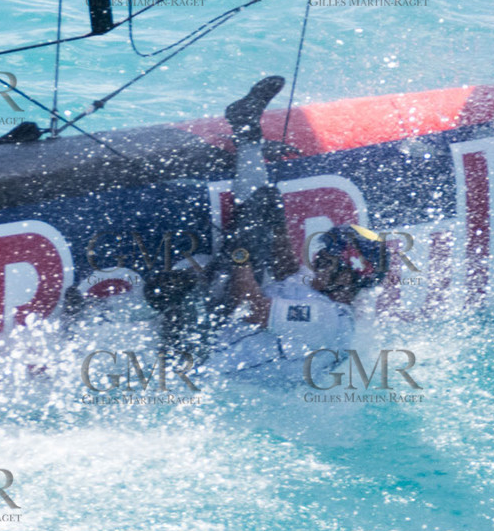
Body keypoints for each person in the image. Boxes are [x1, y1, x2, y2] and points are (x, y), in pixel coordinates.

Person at [145, 76, 388, 368]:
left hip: (199, 364)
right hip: (213, 336)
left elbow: (249, 306)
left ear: (348, 277)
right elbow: (286, 270)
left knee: (182, 287)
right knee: (260, 213)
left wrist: (240, 254)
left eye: (325, 261)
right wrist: (275, 218)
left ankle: (247, 136)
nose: (316, 263)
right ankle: (248, 135)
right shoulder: (321, 292)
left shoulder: (327, 319)